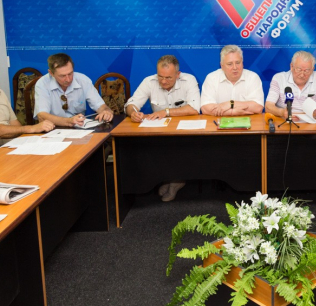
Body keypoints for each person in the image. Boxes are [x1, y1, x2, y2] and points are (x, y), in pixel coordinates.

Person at [124, 55, 201, 202]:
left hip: (185, 131)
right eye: (160, 76)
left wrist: (165, 112)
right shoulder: (149, 81)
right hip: (160, 131)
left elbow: (194, 108)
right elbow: (131, 104)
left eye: (168, 78)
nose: (163, 81)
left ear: (178, 74)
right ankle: (165, 178)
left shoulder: (189, 80)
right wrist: (133, 112)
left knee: (180, 145)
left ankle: (177, 181)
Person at [34, 53, 114, 127]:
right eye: (62, 76)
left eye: (70, 73)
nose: (68, 79)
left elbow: (100, 106)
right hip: (53, 128)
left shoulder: (83, 81)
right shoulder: (42, 84)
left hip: (79, 128)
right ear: (51, 73)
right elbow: (42, 116)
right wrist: (69, 121)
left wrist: (106, 112)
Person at [200, 45, 264, 116]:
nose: (235, 67)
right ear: (222, 66)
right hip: (219, 121)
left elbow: (258, 107)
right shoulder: (212, 78)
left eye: (238, 63)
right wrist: (232, 112)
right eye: (230, 64)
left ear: (242, 63)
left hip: (249, 121)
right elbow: (205, 108)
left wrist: (230, 104)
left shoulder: (252, 77)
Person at [265, 51, 316, 120]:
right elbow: (268, 106)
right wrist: (282, 112)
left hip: (311, 119)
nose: (302, 75)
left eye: (307, 71)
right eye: (299, 69)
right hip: (284, 120)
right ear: (291, 66)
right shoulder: (279, 78)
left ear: (312, 69)